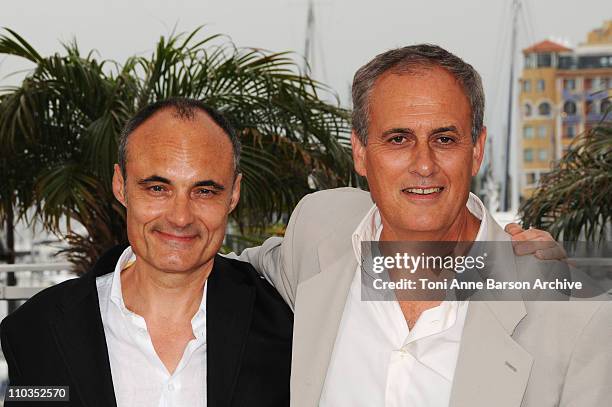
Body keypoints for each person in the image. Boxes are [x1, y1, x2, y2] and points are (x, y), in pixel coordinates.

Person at [238, 45, 612, 406]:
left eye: (444, 139)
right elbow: (209, 278)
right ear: (360, 152)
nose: (424, 164)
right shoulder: (320, 231)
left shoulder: (572, 319)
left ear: (477, 150)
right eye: (398, 139)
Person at [0, 98, 293, 407]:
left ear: (233, 194)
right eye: (157, 189)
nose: (180, 217)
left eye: (204, 191)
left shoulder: (286, 324)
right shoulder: (36, 330)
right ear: (120, 185)